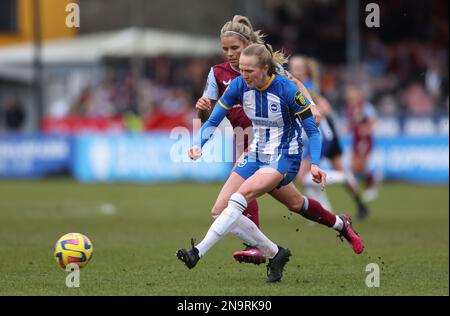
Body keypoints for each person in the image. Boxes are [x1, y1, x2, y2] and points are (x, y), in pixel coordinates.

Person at [177, 44, 364, 283]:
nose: (243, 76)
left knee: (240, 196)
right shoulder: (238, 86)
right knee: (281, 205)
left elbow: (312, 130)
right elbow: (214, 119)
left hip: (285, 155)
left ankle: (197, 252)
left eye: (249, 71)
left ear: (265, 69)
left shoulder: (286, 89)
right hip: (257, 152)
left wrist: (315, 163)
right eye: (241, 70)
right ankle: (328, 230)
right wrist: (199, 144)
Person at [195, 15, 320, 265]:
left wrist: (312, 105)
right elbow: (209, 114)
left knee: (290, 202)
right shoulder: (217, 74)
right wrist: (201, 110)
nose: (230, 54)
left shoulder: (265, 67)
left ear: (247, 46)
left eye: (235, 48)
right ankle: (262, 247)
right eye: (225, 49)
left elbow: (293, 84)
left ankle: (333, 224)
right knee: (240, 199)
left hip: (272, 142)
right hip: (244, 140)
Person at [288, 55, 370, 219]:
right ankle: (358, 204)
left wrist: (316, 113)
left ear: (305, 70)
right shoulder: (303, 85)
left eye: (298, 67)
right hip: (325, 134)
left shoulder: (307, 88)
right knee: (314, 174)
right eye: (292, 66)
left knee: (302, 176)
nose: (295, 70)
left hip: (321, 135)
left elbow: (325, 108)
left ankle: (327, 204)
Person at [344, 85, 379, 202]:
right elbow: (351, 123)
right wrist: (347, 128)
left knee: (360, 163)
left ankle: (371, 186)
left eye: (352, 96)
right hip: (356, 139)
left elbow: (373, 119)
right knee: (355, 165)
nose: (350, 98)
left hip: (365, 139)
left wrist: (367, 129)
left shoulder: (365, 107)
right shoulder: (350, 108)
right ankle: (365, 184)